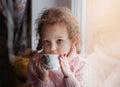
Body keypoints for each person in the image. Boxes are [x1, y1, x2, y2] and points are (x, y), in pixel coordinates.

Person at [27, 7, 86, 87]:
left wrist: (68, 76)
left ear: (73, 41)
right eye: (47, 42)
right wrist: (42, 79)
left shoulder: (79, 64)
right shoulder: (35, 62)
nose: (52, 48)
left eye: (59, 41)